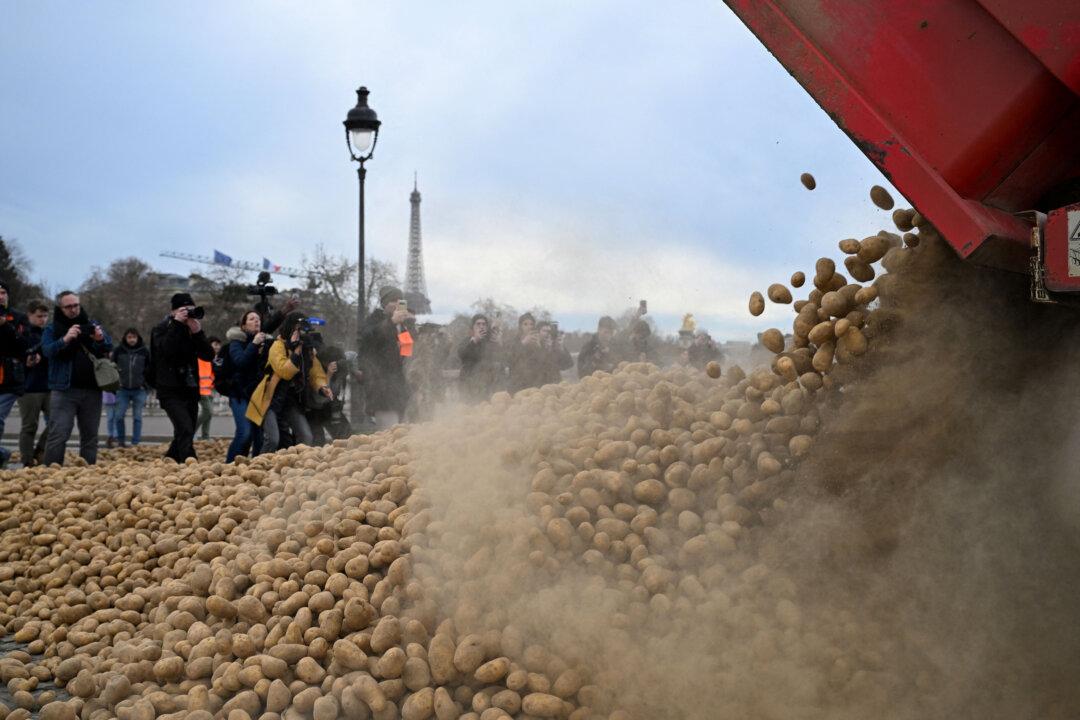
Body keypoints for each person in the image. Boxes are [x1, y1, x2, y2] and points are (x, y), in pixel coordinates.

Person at [41, 291, 112, 466]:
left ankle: (86, 476)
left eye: (76, 305)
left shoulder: (91, 324)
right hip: (64, 389)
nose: (73, 309)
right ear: (60, 308)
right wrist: (65, 339)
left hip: (92, 389)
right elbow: (47, 351)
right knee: (59, 433)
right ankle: (51, 473)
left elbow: (109, 346)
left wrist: (99, 338)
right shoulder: (52, 328)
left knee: (90, 436)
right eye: (69, 306)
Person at [246, 311, 331, 451]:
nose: (300, 332)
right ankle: (260, 467)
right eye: (297, 328)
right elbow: (284, 371)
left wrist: (322, 387)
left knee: (305, 436)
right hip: (270, 400)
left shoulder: (307, 349)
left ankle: (297, 467)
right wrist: (295, 351)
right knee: (273, 440)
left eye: (303, 328)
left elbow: (316, 372)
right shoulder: (277, 346)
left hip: (291, 401)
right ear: (289, 328)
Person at [149, 293, 215, 462]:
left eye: (191, 310)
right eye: (184, 310)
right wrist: (177, 325)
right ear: (173, 312)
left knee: (185, 430)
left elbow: (208, 355)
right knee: (185, 428)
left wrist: (198, 332)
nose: (188, 314)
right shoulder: (161, 329)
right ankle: (190, 464)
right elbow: (166, 351)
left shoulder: (192, 330)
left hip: (191, 388)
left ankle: (169, 461)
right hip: (169, 389)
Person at [357, 287, 413, 429]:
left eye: (400, 301)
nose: (397, 304)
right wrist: (391, 323)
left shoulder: (402, 325)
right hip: (381, 391)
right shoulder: (373, 321)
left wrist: (407, 327)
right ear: (384, 304)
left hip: (399, 390)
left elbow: (407, 353)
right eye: (393, 301)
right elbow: (369, 339)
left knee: (403, 435)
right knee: (389, 435)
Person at [223, 311, 269, 462]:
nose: (256, 321)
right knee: (245, 433)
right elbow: (240, 362)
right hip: (239, 394)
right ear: (243, 325)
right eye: (252, 319)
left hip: (257, 394)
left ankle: (254, 465)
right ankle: (229, 466)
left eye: (258, 318)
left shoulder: (265, 343)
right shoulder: (236, 342)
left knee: (258, 435)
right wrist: (254, 344)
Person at [17, 299, 50, 466]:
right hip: (29, 387)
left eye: (45, 316)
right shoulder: (22, 333)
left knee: (58, 422)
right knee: (29, 426)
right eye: (39, 316)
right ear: (30, 315)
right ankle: (27, 461)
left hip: (49, 386)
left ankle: (41, 450)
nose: (43, 319)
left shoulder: (48, 333)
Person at [0, 282, 29, 467]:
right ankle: (2, 453)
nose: (0, 296)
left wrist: (6, 327)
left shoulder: (18, 318)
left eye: (3, 292)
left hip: (9, 378)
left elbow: (24, 346)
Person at [111, 328, 150, 447]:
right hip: (122, 389)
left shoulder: (144, 351)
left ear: (138, 338)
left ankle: (135, 443)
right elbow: (112, 368)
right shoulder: (118, 350)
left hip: (139, 389)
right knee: (118, 416)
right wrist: (115, 384)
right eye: (129, 337)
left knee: (137, 417)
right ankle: (121, 441)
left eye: (134, 337)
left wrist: (146, 385)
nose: (132, 340)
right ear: (125, 338)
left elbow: (150, 369)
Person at [457, 314, 503, 403]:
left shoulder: (492, 342)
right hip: (468, 386)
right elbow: (461, 354)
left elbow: (504, 359)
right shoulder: (467, 340)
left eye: (484, 324)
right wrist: (475, 340)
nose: (481, 326)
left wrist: (500, 344)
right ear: (473, 327)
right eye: (478, 324)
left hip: (487, 386)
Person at [196, 337, 221, 441]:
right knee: (208, 412)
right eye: (215, 344)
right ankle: (189, 430)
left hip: (209, 390)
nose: (217, 347)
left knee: (209, 415)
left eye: (218, 345)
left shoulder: (215, 358)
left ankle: (205, 436)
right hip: (201, 390)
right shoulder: (202, 357)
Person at [536, 321, 573, 385]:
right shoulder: (533, 346)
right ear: (537, 332)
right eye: (544, 331)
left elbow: (568, 365)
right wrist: (546, 350)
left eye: (549, 331)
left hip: (555, 384)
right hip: (538, 385)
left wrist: (561, 347)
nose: (547, 334)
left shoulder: (555, 346)